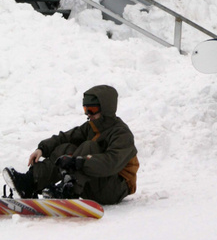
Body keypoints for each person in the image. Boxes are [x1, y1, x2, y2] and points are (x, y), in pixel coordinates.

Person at [3, 85, 139, 205]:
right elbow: (64, 137)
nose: (88, 114)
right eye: (86, 109)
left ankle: (68, 190)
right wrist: (42, 148)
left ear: (106, 109)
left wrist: (78, 162)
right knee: (66, 148)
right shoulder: (91, 127)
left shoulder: (122, 134)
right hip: (94, 182)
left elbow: (111, 163)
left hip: (114, 188)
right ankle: (30, 183)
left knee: (89, 147)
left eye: (92, 109)